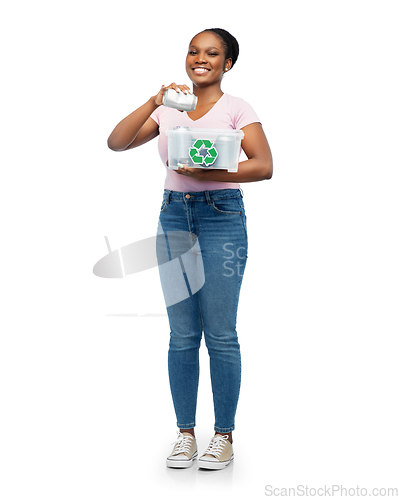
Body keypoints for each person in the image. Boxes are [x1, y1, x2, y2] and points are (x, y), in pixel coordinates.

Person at [107, 28, 273, 470]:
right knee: (182, 334)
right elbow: (116, 142)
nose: (201, 59)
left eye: (212, 53)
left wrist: (210, 175)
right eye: (194, 51)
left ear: (227, 64)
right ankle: (185, 434)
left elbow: (264, 165)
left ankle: (223, 436)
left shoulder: (238, 108)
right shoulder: (170, 110)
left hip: (222, 216)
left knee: (221, 333)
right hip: (174, 217)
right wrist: (154, 101)